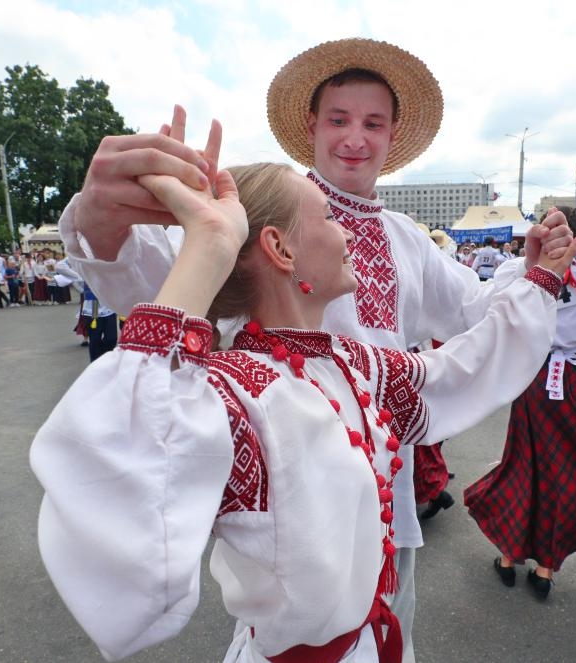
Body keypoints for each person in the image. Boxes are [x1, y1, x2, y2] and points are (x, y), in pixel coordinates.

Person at [55, 38, 543, 661]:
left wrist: (530, 277)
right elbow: (158, 275)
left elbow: (474, 321)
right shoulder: (266, 210)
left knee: (390, 621)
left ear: (393, 135)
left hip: (384, 467)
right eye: (338, 120)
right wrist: (107, 220)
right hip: (281, 471)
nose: (354, 139)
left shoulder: (406, 241)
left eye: (373, 123)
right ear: (311, 125)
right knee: (296, 619)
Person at [465, 153, 576, 600]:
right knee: (540, 465)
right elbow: (485, 312)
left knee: (555, 468)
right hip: (545, 374)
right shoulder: (526, 268)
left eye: (558, 229)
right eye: (545, 229)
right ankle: (523, 557)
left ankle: (535, 560)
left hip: (565, 375)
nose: (551, 236)